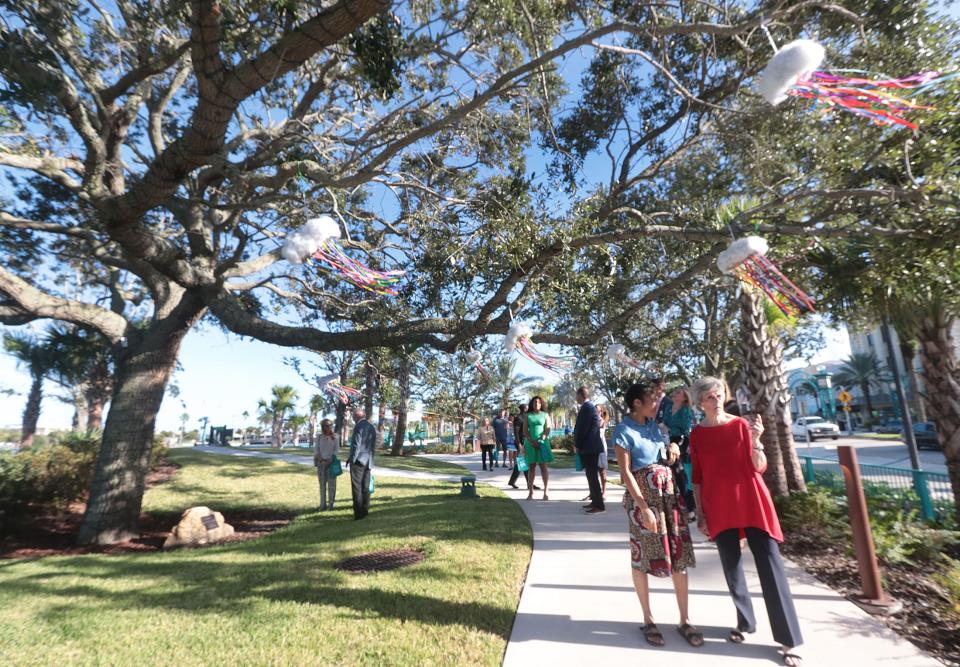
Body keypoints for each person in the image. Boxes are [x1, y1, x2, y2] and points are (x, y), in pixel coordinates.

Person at [690, 377, 803, 667]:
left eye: (719, 394)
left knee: (770, 566)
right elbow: (698, 477)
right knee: (732, 567)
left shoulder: (741, 425)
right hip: (719, 505)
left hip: (752, 502)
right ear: (700, 402)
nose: (716, 400)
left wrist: (755, 441)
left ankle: (788, 640)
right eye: (710, 397)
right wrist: (701, 513)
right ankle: (745, 623)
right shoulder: (697, 435)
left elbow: (758, 466)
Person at [613, 381, 701, 648]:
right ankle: (649, 619)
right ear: (637, 403)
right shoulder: (623, 430)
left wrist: (672, 447)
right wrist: (643, 507)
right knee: (643, 556)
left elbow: (665, 448)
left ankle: (684, 619)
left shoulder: (653, 425)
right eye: (652, 400)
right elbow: (626, 473)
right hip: (645, 500)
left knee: (678, 553)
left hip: (668, 496)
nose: (657, 404)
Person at [664, 387, 696, 516]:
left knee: (680, 472)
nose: (675, 393)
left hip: (681, 442)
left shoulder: (686, 410)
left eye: (678, 393)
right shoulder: (668, 407)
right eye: (675, 391)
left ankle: (689, 507)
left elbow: (685, 429)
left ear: (684, 397)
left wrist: (670, 430)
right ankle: (678, 503)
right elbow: (663, 421)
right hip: (667, 440)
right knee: (671, 472)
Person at [574, 387, 605, 513]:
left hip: (589, 448)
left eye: (577, 395)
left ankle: (599, 505)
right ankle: (595, 501)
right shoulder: (588, 407)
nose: (576, 398)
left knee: (592, 476)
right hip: (589, 447)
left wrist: (577, 444)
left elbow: (583, 429)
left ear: (581, 395)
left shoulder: (587, 408)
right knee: (590, 475)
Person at [346, 408, 377, 520]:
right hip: (368, 460)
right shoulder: (371, 426)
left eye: (353, 416)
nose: (353, 418)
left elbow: (356, 445)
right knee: (365, 486)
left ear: (357, 416)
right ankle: (365, 509)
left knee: (357, 487)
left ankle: (358, 513)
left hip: (358, 461)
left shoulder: (359, 426)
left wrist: (352, 460)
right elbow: (373, 445)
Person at [523, 396, 553, 500]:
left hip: (542, 443)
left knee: (543, 467)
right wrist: (531, 441)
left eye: (539, 402)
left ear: (541, 404)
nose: (537, 404)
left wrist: (542, 438)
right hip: (530, 444)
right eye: (535, 402)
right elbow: (525, 431)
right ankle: (531, 492)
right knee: (531, 467)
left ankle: (546, 491)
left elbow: (548, 429)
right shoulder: (528, 415)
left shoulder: (545, 415)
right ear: (532, 404)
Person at [314, 418, 340, 511]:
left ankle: (331, 504)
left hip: (331, 464)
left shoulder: (336, 436)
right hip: (321, 463)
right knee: (322, 485)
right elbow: (316, 450)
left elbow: (336, 450)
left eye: (329, 425)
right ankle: (322, 504)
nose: (327, 427)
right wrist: (320, 458)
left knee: (332, 485)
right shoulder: (319, 437)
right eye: (324, 426)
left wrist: (330, 460)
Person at [507, 404, 530, 489]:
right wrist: (519, 443)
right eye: (527, 408)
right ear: (524, 409)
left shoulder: (525, 417)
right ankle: (529, 483)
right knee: (523, 462)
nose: (528, 409)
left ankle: (513, 481)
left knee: (523, 462)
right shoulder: (519, 418)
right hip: (521, 443)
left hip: (526, 442)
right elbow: (516, 432)